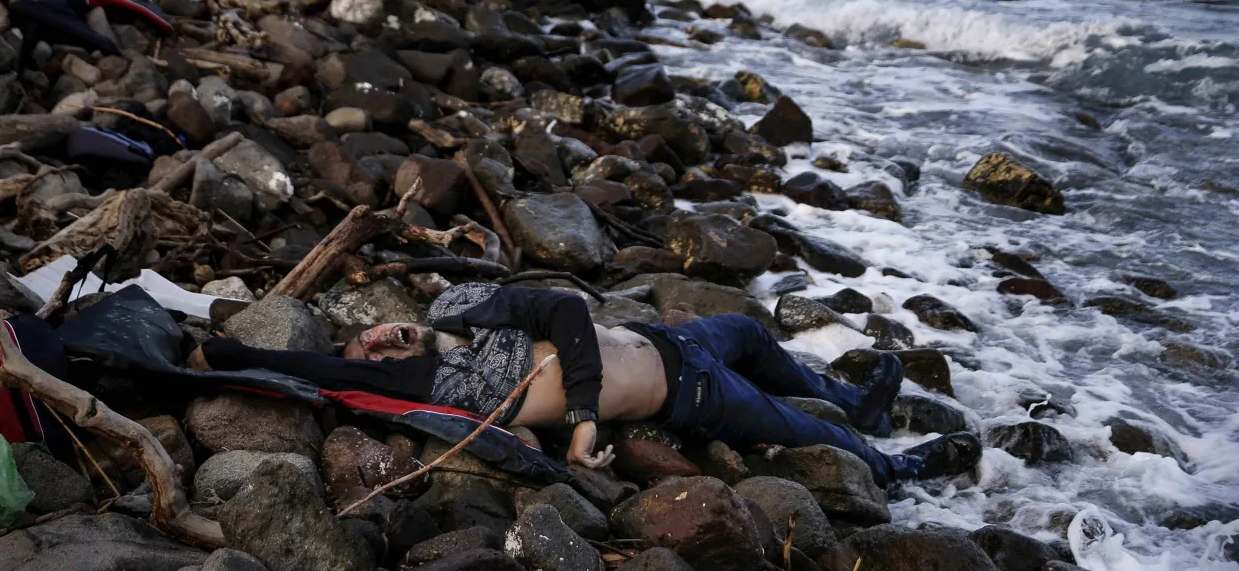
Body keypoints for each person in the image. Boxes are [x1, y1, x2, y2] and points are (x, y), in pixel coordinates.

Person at [191, 283, 980, 486]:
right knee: (811, 437)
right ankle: (897, 465)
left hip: (664, 341)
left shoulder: (457, 306)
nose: (380, 341)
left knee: (743, 327)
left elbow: (565, 307)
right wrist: (218, 355)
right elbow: (312, 371)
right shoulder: (451, 385)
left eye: (373, 331)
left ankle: (853, 398)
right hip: (686, 396)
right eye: (372, 354)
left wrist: (574, 410)